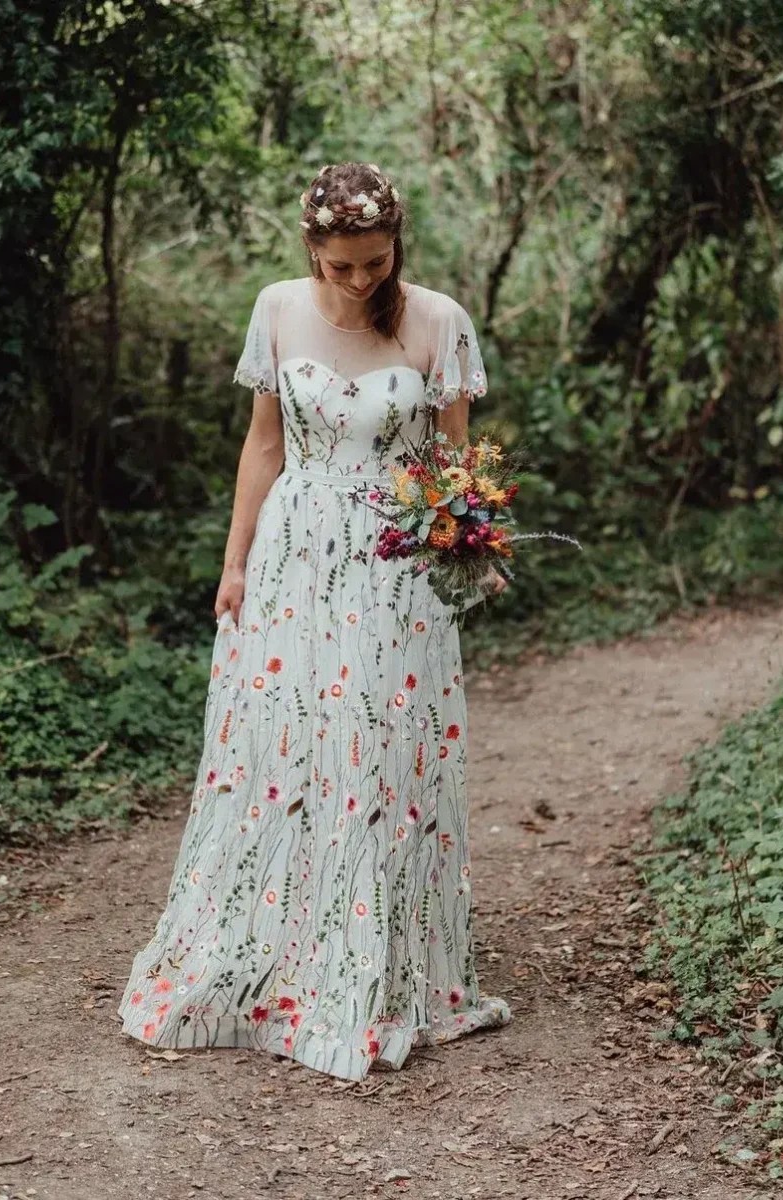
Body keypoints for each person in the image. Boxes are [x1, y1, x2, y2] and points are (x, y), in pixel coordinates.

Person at [117, 160, 512, 1082]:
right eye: (342, 266)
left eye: (375, 263)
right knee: (284, 741)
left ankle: (378, 961)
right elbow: (262, 443)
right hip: (296, 554)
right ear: (312, 250)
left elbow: (454, 466)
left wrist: (470, 544)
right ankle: (276, 953)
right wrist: (234, 563)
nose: (359, 280)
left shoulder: (438, 320)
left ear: (394, 246)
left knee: (376, 747)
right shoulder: (277, 308)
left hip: (394, 564)